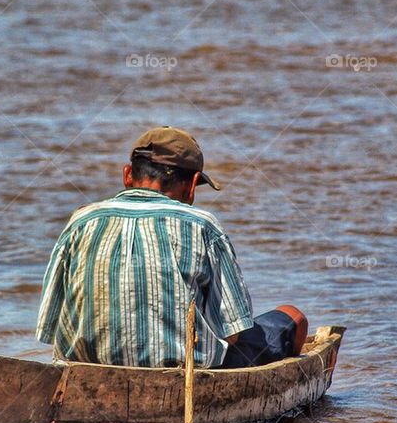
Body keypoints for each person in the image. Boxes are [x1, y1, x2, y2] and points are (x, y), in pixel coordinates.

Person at [36, 126, 308, 368]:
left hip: (85, 368)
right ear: (192, 185)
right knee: (292, 317)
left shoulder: (81, 220)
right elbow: (232, 333)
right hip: (185, 371)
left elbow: (49, 325)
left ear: (128, 175)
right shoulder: (203, 225)